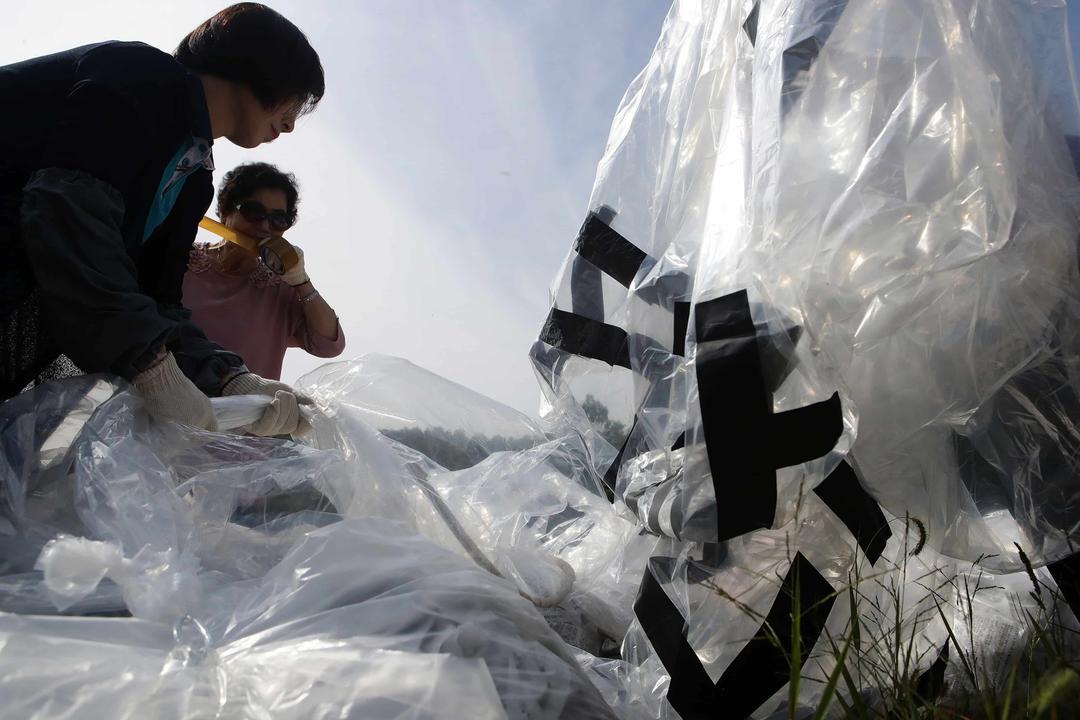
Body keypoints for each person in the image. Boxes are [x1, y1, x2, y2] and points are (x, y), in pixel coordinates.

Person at [0, 3, 324, 436]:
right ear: (266, 70)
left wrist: (228, 379)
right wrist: (152, 367)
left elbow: (156, 297)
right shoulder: (139, 77)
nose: (288, 126)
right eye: (295, 103)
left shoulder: (192, 176)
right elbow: (67, 219)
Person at [184, 163, 345, 381]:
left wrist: (301, 282)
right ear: (224, 212)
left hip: (240, 413)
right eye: (254, 212)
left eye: (279, 219)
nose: (265, 226)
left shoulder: (280, 288)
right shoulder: (179, 259)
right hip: (161, 406)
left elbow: (329, 345)